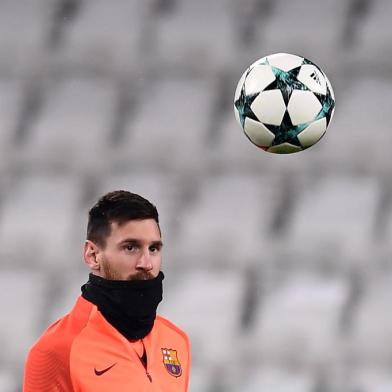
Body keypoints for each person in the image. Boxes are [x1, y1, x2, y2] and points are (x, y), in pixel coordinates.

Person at [23, 190, 190, 392]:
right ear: (93, 255)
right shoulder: (56, 351)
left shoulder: (176, 340)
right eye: (131, 247)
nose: (146, 263)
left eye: (153, 249)